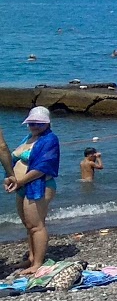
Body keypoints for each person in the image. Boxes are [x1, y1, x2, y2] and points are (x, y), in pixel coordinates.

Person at [5, 107, 58, 277]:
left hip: (40, 185)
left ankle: (37, 263)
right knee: (28, 225)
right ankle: (32, 256)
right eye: (31, 123)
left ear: (47, 123)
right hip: (22, 186)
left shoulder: (50, 139)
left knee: (37, 225)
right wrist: (10, 179)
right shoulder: (29, 137)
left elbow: (43, 167)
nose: (34, 126)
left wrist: (19, 181)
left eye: (38, 123)